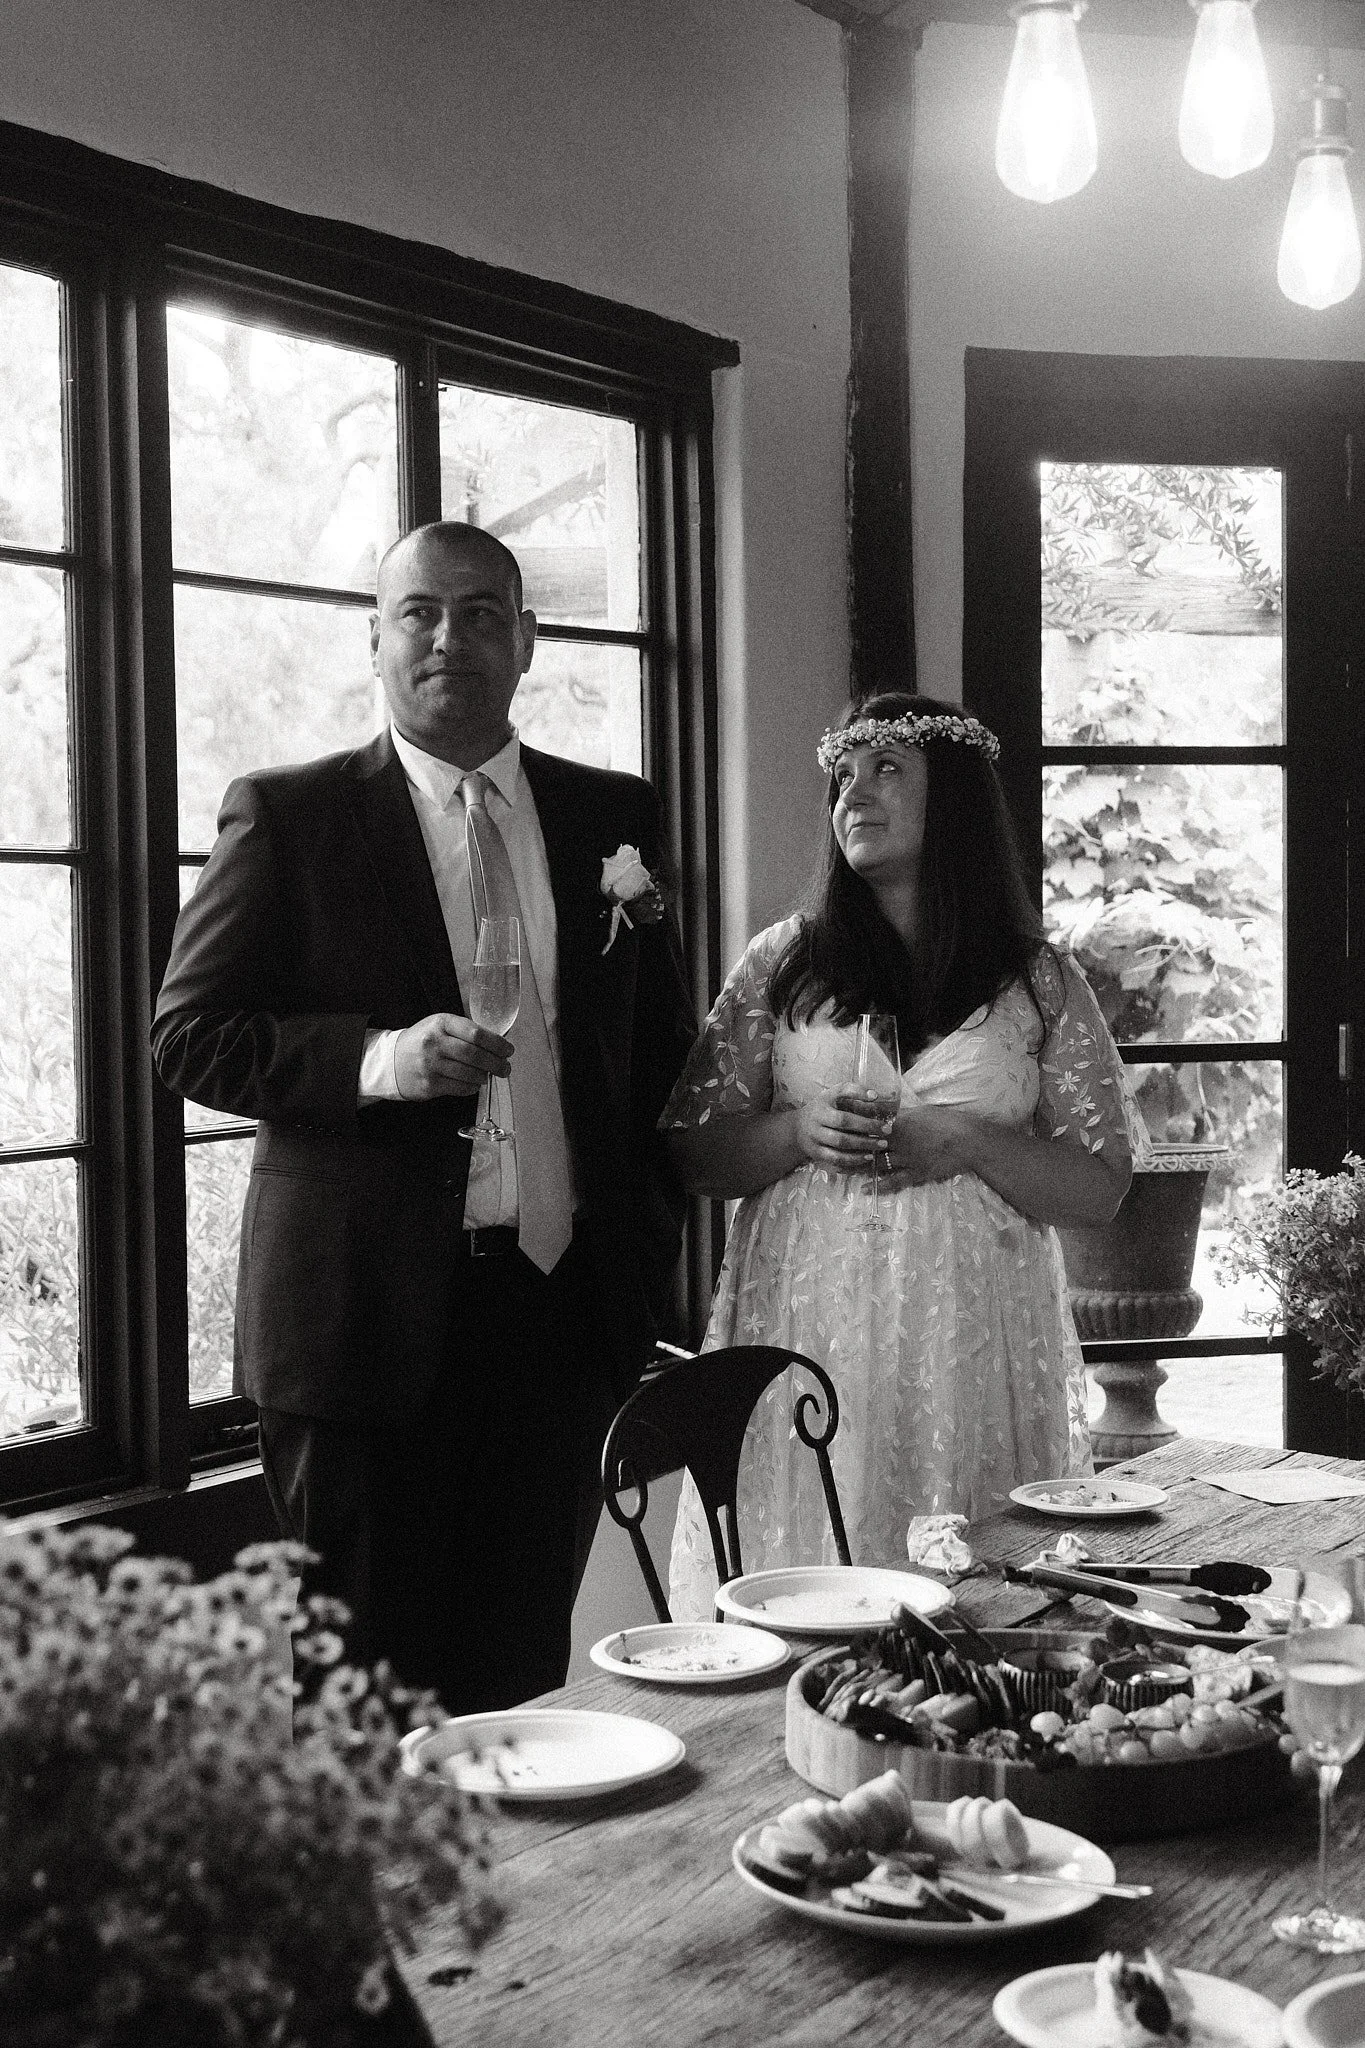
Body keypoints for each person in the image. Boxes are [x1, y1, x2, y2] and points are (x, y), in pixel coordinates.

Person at [152, 520, 695, 1711]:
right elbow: (187, 1034)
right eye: (421, 612)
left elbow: (655, 1056)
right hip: (360, 1334)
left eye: (483, 613)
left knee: (524, 1695)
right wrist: (381, 1060)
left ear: (527, 640)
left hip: (558, 1325)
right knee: (365, 1706)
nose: (452, 637)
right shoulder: (288, 815)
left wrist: (640, 1253)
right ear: (377, 639)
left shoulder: (614, 815)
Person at [662, 691, 1146, 1620]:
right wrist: (796, 1133)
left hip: (976, 1336)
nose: (854, 793)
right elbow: (692, 1152)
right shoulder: (779, 963)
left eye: (887, 768)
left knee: (978, 1599)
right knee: (810, 1573)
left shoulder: (1037, 979)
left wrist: (964, 1137)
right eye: (843, 775)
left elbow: (1098, 1187)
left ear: (954, 799)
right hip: (811, 1327)